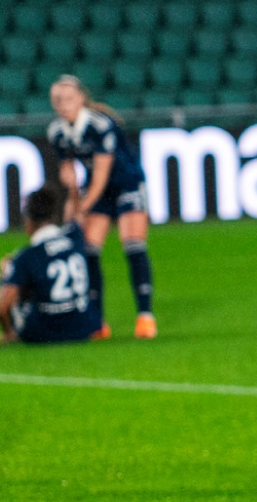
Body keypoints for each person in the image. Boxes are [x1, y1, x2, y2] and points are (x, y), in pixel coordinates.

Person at [47, 76, 150, 340]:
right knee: (90, 249)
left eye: (68, 99)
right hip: (97, 190)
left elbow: (102, 174)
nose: (63, 105)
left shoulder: (101, 125)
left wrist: (82, 207)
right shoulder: (57, 132)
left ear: (81, 98)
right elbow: (68, 172)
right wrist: (71, 196)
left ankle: (145, 317)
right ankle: (97, 322)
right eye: (57, 100)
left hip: (126, 184)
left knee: (133, 244)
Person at [0, 186, 104, 345]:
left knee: (8, 273)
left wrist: (8, 332)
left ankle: (11, 335)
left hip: (45, 332)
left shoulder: (27, 256)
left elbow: (1, 309)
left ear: (28, 221)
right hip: (84, 326)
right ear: (53, 216)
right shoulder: (75, 236)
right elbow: (76, 216)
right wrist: (73, 189)